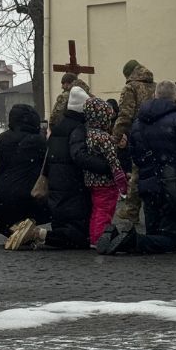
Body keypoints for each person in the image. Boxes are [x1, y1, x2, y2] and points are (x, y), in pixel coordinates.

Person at [109, 80, 176, 254]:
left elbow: (134, 153)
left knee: (153, 230)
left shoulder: (139, 122)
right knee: (171, 239)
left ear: (155, 95)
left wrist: (147, 167)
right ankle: (132, 241)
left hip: (148, 183)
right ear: (175, 96)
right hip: (174, 183)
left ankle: (129, 240)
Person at [10, 86, 90, 250]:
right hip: (74, 189)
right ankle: (36, 234)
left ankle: (36, 234)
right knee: (79, 238)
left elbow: (48, 158)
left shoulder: (57, 128)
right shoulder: (79, 129)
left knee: (64, 229)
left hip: (56, 189)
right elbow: (79, 157)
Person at [0, 104, 48, 242]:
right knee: (48, 212)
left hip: (1, 192)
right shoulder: (39, 141)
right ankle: (19, 230)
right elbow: (45, 170)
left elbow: (0, 169)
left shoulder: (3, 139)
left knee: (7, 216)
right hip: (26, 194)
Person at [75, 97, 127, 247]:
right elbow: (112, 159)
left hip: (91, 179)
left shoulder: (87, 134)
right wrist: (121, 179)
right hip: (105, 182)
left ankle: (93, 236)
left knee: (96, 210)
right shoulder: (104, 137)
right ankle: (99, 239)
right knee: (105, 211)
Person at [113, 60, 156, 226]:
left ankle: (131, 210)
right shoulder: (154, 86)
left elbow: (125, 115)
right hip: (159, 134)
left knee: (137, 172)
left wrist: (116, 137)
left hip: (140, 135)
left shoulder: (130, 88)